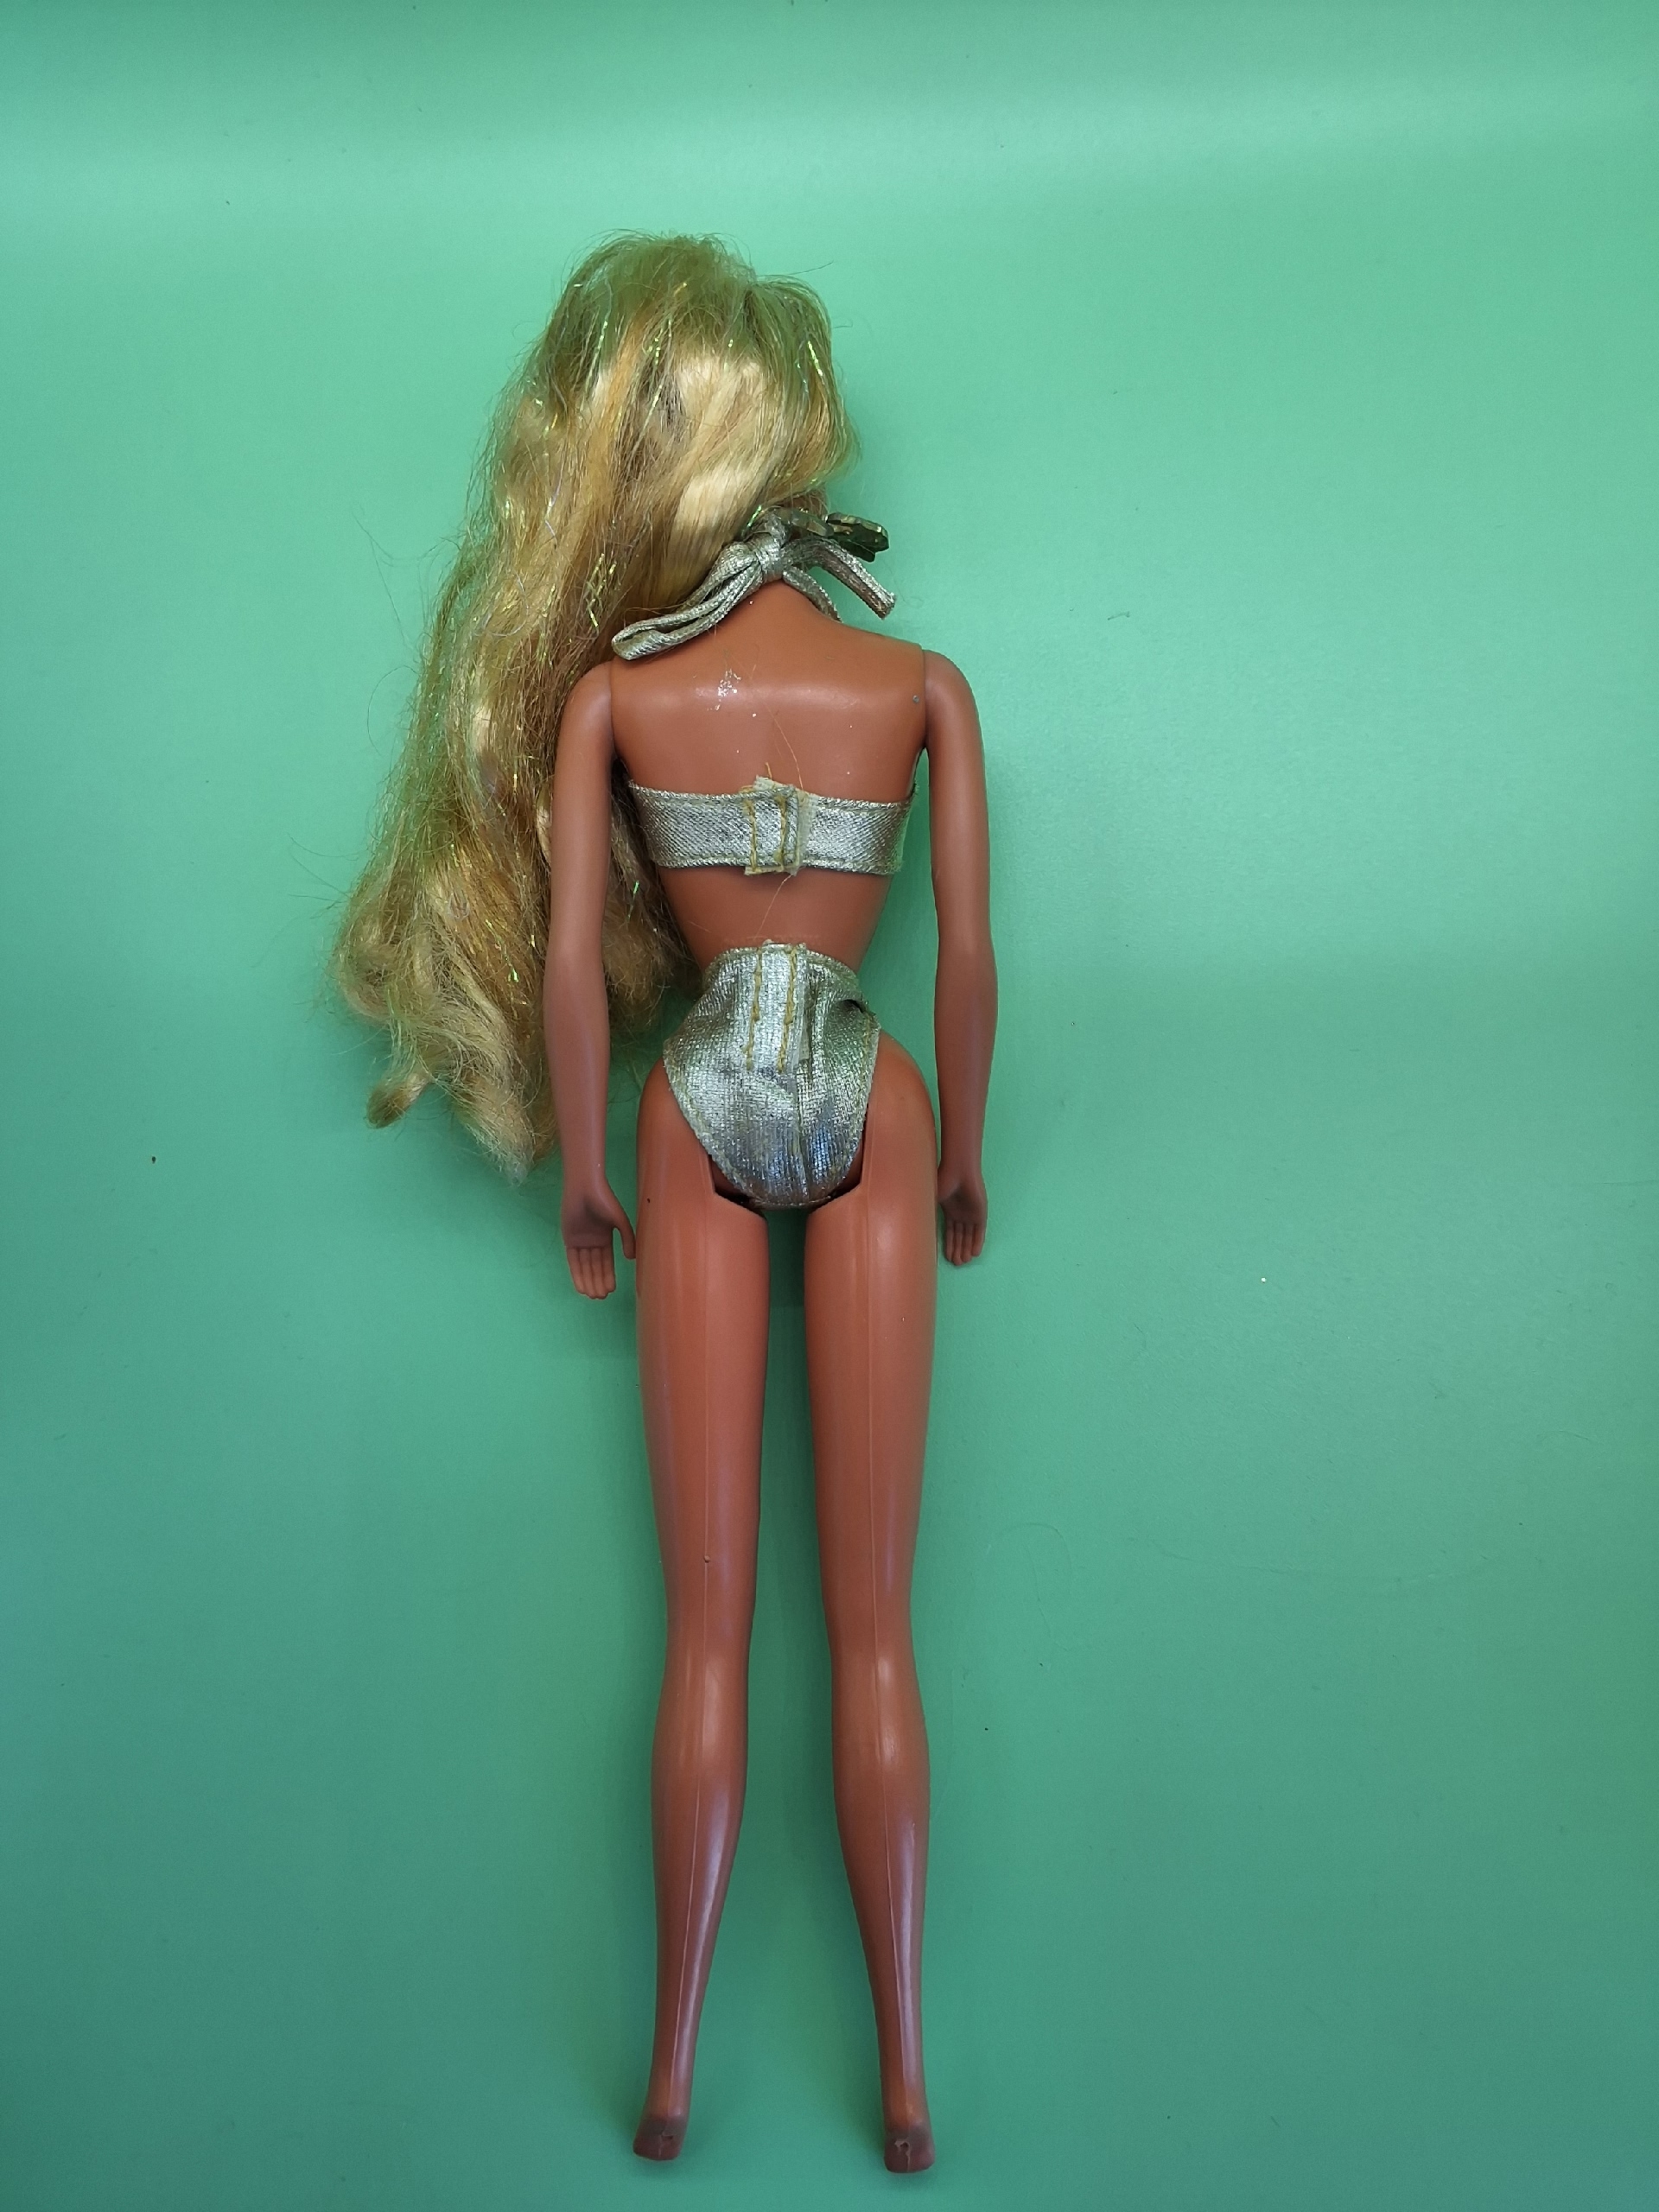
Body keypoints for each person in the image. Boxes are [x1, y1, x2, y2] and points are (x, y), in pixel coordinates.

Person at [335, 234, 995, 2173]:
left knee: (706, 1629)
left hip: (693, 1097)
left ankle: (675, 2062)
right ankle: (905, 2071)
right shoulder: (919, 680)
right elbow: (968, 964)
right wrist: (959, 1150)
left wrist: (588, 1165)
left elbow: (567, 971)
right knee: (875, 1628)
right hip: (869, 1083)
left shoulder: (617, 698)